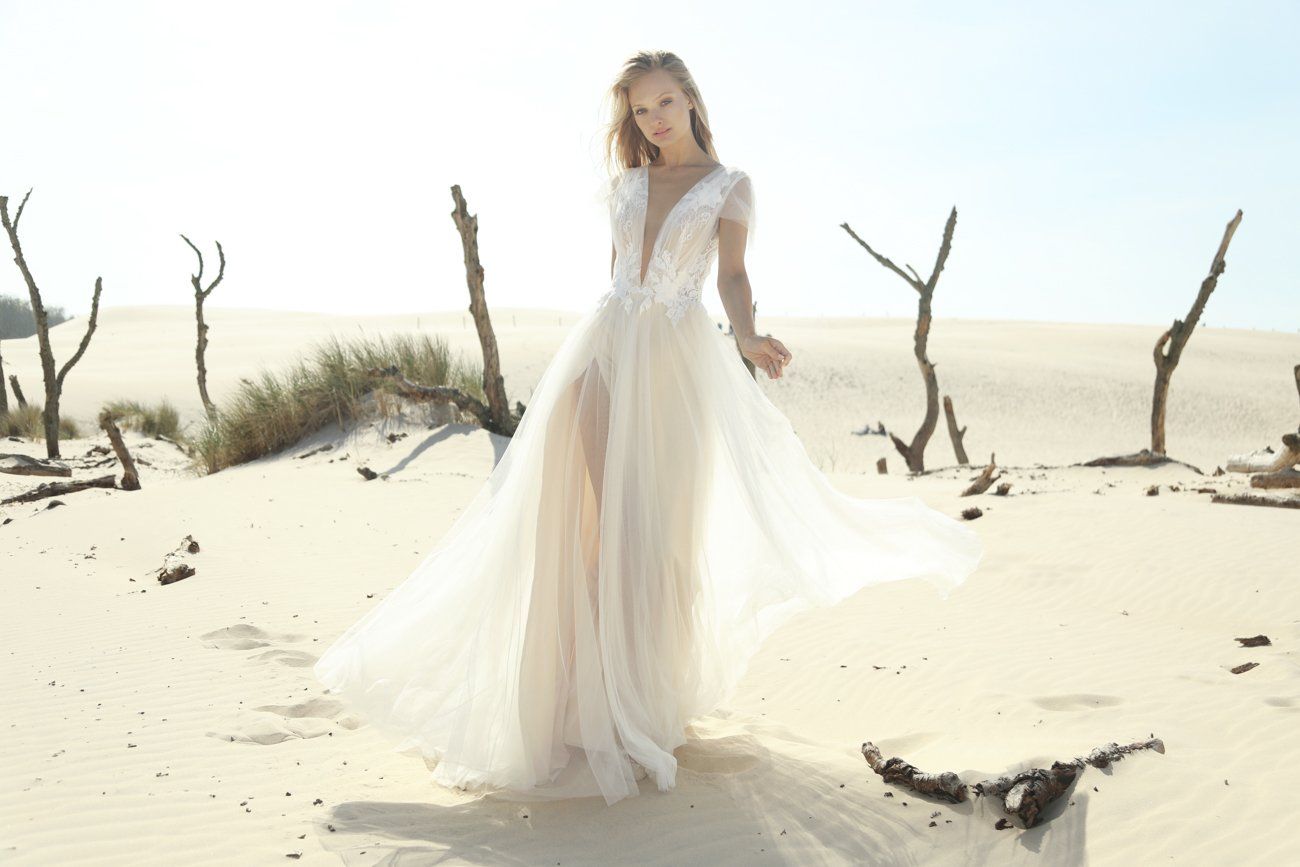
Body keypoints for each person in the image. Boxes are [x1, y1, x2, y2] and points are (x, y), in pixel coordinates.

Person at [313, 50, 983, 808]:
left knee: (659, 539)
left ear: (692, 99)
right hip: (602, 361)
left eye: (665, 101)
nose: (655, 118)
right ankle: (576, 707)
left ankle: (641, 704)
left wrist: (749, 334)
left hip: (673, 371)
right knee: (593, 534)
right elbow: (618, 277)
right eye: (640, 109)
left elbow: (730, 275)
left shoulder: (730, 187)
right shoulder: (628, 184)